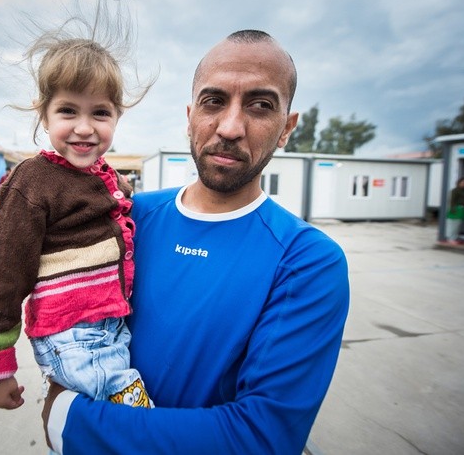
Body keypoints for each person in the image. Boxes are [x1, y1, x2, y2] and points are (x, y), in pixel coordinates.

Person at [40, 30, 350, 455]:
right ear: (190, 116)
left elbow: (263, 438)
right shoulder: (126, 217)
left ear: (286, 129)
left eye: (261, 105)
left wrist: (70, 420)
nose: (230, 127)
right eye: (214, 101)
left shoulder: (308, 261)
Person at [0, 0, 155, 415]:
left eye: (100, 113)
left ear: (117, 117)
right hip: (73, 335)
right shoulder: (32, 183)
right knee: (135, 421)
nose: (85, 128)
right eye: (68, 110)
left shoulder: (109, 180)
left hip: (108, 328)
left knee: (105, 427)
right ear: (44, 114)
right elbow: (3, 274)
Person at [445, 176, 464, 244]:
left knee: (458, 225)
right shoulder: (455, 190)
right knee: (453, 224)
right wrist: (453, 209)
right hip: (456, 209)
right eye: (463, 182)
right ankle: (450, 238)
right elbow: (452, 201)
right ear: (459, 183)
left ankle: (455, 237)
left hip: (462, 209)